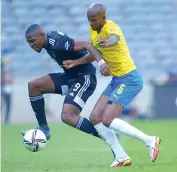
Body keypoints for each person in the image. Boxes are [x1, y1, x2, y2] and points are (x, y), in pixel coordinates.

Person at [63, 3, 161, 167]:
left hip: (130, 78)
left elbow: (114, 40)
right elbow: (95, 53)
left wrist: (106, 42)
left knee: (108, 119)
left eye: (93, 20)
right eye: (89, 20)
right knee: (95, 118)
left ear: (103, 18)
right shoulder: (93, 30)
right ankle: (121, 157)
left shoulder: (111, 27)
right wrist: (76, 62)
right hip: (116, 80)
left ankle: (150, 140)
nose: (91, 23)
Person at [22, 24, 130, 167]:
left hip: (83, 78)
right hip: (70, 77)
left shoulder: (57, 42)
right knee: (34, 86)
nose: (31, 45)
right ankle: (44, 129)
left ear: (42, 36)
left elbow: (87, 45)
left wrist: (101, 63)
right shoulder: (49, 42)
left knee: (68, 116)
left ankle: (109, 136)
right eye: (29, 42)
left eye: (33, 41)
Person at [1, 56, 13, 124]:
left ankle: (6, 120)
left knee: (8, 106)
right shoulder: (2, 73)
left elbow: (10, 81)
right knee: (1, 106)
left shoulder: (9, 73)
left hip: (9, 90)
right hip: (3, 91)